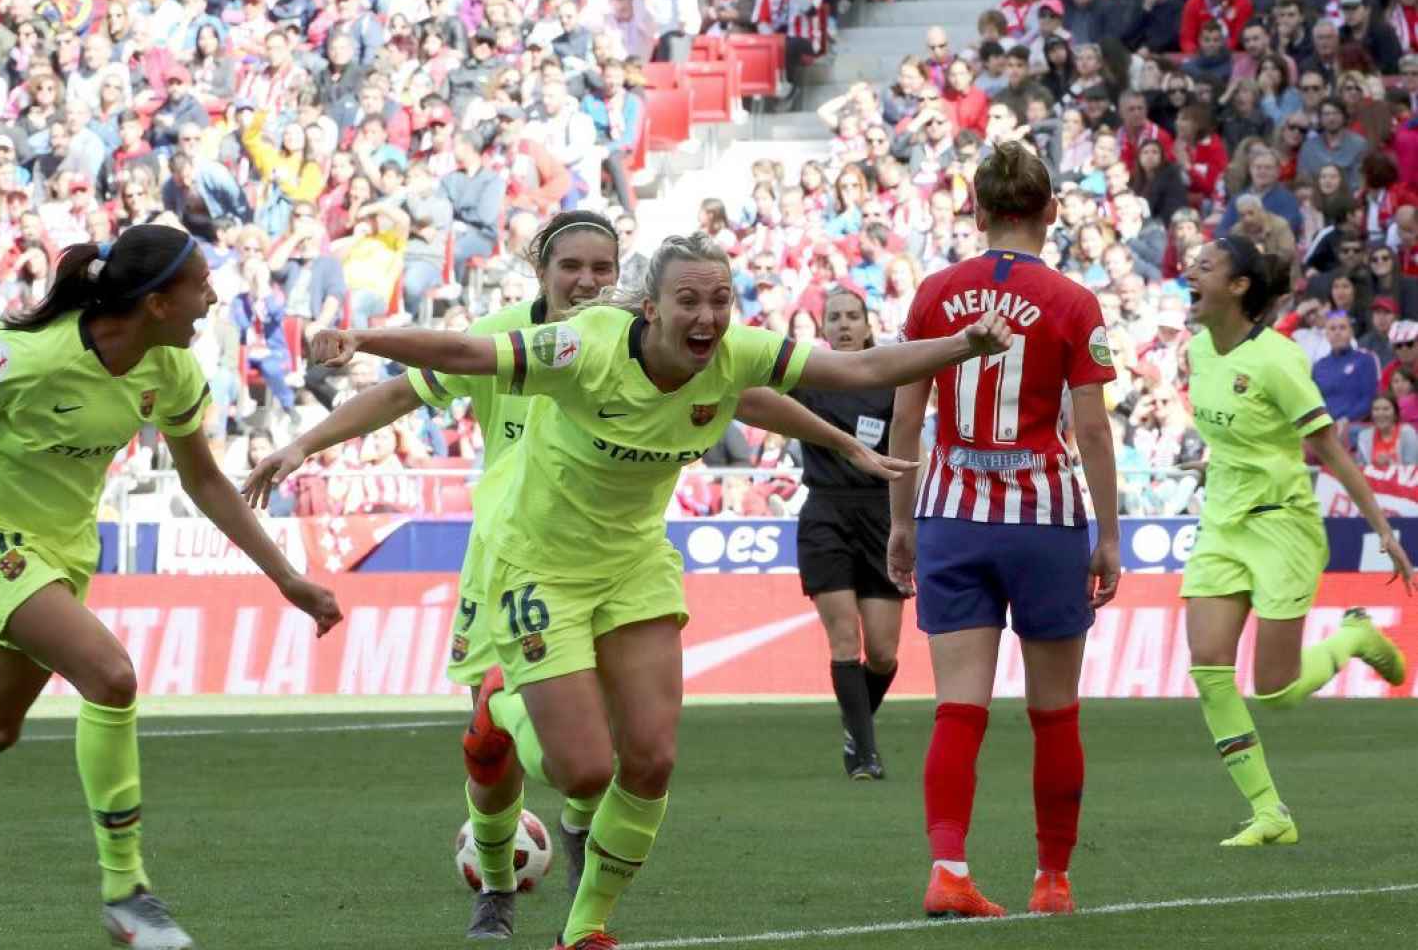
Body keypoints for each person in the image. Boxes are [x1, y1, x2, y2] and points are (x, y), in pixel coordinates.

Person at [308, 231, 1011, 950]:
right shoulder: (584, 348)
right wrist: (362, 336)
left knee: (651, 760)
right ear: (649, 308)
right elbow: (466, 356)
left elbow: (856, 368)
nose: (706, 316)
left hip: (635, 565)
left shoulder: (734, 354)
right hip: (540, 564)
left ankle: (585, 929)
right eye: (688, 301)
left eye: (719, 300)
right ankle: (498, 708)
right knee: (580, 772)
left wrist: (961, 346)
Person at [0, 224, 343, 950]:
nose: (210, 297)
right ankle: (126, 892)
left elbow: (203, 480)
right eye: (198, 284)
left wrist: (287, 577)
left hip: (62, 551)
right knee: (111, 677)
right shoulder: (35, 355)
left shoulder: (167, 369)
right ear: (155, 301)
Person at [886, 141, 1121, 920]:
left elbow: (907, 414)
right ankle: (1052, 881)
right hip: (1044, 517)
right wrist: (1110, 535)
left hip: (951, 512)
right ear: (1051, 211)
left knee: (959, 706)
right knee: (1054, 710)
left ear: (978, 210)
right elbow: (1090, 431)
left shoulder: (934, 292)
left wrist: (900, 521)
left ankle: (948, 868)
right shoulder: (1073, 301)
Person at [1180, 235, 1412, 849]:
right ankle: (1270, 813)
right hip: (1222, 526)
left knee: (1276, 689)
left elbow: (1331, 452)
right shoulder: (1198, 352)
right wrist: (1213, 466)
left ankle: (1356, 636)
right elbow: (1237, 436)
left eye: (1206, 266)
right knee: (1208, 671)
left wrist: (1384, 531)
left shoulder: (1279, 360)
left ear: (1238, 288)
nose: (1190, 270)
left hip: (1282, 525)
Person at [791, 289, 905, 782]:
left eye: (851, 316)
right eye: (833, 317)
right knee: (844, 641)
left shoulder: (889, 380)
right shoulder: (807, 378)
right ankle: (865, 754)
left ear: (867, 323)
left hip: (879, 516)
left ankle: (855, 726)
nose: (842, 324)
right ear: (823, 326)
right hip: (825, 515)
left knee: (882, 654)